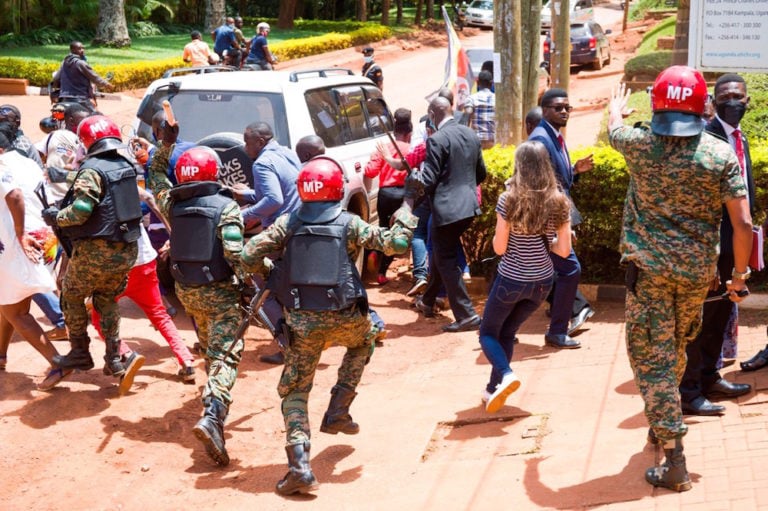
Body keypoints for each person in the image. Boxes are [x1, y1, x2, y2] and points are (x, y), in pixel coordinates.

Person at [608, 67, 752, 492]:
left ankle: (674, 460)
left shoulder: (637, 144)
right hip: (697, 277)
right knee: (674, 348)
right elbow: (742, 224)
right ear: (704, 106)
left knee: (650, 361)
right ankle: (662, 417)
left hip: (650, 276)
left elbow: (614, 131)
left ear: (657, 105)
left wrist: (615, 110)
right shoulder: (718, 154)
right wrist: (739, 276)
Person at [240, 156, 417, 495]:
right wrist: (408, 202)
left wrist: (276, 272)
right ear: (337, 190)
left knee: (294, 391)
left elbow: (248, 255)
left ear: (303, 190)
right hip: (348, 317)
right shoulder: (350, 223)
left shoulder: (287, 224)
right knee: (366, 340)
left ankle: (299, 468)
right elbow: (396, 244)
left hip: (301, 324)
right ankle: (339, 407)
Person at [147, 145, 244, 466]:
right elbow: (235, 254)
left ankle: (212, 392)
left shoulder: (170, 204)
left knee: (209, 347)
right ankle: (214, 414)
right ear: (214, 173)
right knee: (225, 356)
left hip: (187, 290)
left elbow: (155, 176)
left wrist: (164, 146)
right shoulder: (227, 207)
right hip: (220, 293)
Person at [42, 115, 143, 386]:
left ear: (86, 142)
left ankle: (79, 353)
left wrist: (56, 217)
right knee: (107, 299)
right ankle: (113, 358)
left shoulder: (91, 170)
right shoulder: (125, 165)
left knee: (71, 296)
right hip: (127, 249)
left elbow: (82, 210)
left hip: (97, 250)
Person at [680, 73, 754, 415]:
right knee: (701, 320)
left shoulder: (741, 138)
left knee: (721, 315)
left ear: (747, 100)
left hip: (736, 243)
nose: (732, 102)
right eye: (725, 97)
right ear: (713, 102)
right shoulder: (703, 139)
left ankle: (709, 377)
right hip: (710, 247)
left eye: (738, 96)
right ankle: (690, 391)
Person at [481, 141, 572, 413]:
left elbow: (499, 247)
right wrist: (550, 239)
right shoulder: (558, 201)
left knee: (487, 332)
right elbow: (564, 251)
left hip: (511, 279)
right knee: (507, 332)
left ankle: (506, 374)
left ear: (519, 166)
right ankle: (492, 389)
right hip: (543, 282)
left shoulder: (508, 199)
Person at [0, 133, 71, 391]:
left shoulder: (2, 167)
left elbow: (15, 196)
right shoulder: (23, 162)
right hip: (36, 237)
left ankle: (58, 362)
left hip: (16, 245)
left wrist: (19, 233)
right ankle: (1, 356)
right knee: (8, 304)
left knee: (15, 311)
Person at [411, 96, 485, 332]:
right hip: (469, 207)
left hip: (446, 211)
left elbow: (429, 181)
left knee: (445, 259)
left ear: (432, 115)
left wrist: (414, 179)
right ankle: (428, 300)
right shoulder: (471, 134)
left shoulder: (437, 140)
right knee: (441, 256)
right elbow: (480, 174)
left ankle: (466, 315)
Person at [528, 88, 595, 349]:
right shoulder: (541, 140)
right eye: (558, 107)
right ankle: (556, 330)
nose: (564, 111)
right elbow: (540, 188)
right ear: (544, 110)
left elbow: (559, 179)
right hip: (549, 221)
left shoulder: (555, 136)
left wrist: (574, 171)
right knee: (568, 270)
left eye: (567, 107)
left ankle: (499, 326)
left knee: (539, 273)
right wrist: (557, 230)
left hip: (557, 219)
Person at [234, 121, 302, 364]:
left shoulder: (262, 162)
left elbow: (273, 200)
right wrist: (247, 194)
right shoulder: (287, 153)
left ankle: (286, 347)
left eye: (247, 141)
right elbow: (283, 189)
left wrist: (241, 215)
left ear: (260, 142)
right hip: (298, 228)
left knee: (264, 288)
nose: (244, 146)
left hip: (277, 234)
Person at [364, 108, 412, 285]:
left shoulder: (383, 147)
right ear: (409, 133)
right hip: (404, 196)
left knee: (384, 229)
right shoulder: (412, 149)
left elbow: (370, 172)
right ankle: (383, 271)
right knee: (399, 234)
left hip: (385, 194)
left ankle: (376, 255)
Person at [51, 41, 113, 109]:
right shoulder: (80, 63)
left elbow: (56, 78)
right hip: (80, 98)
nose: (82, 50)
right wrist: (107, 84)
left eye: (83, 48)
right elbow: (94, 77)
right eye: (79, 48)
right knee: (95, 115)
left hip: (64, 98)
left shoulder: (64, 63)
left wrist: (55, 87)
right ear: (73, 50)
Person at [463, 70, 496, 149]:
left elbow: (467, 116)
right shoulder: (497, 99)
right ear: (491, 83)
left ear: (477, 82)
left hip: (476, 142)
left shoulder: (471, 99)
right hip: (494, 142)